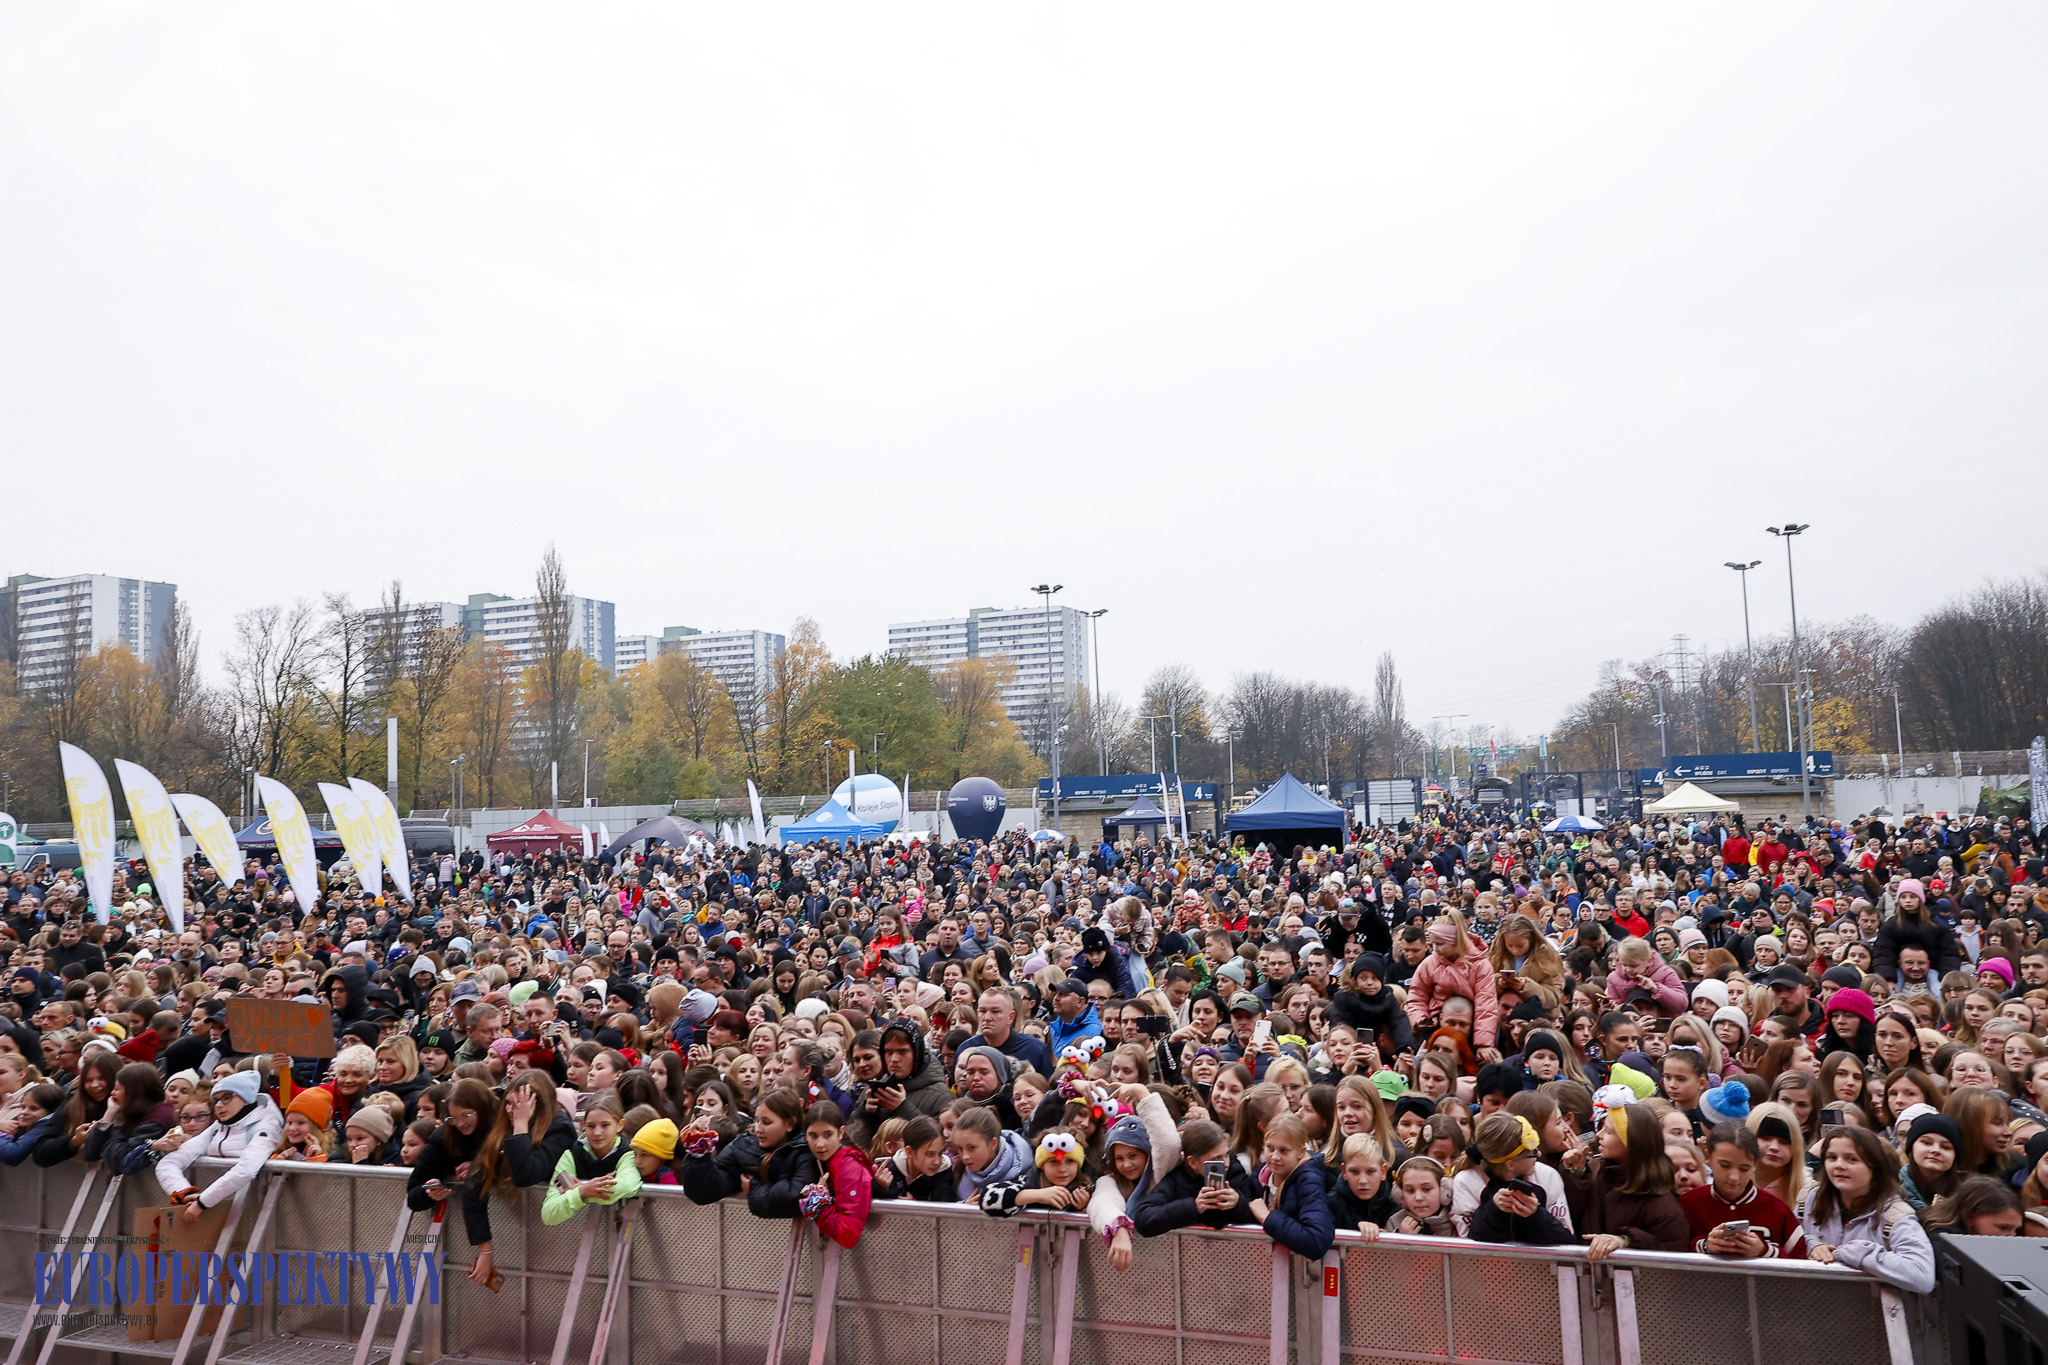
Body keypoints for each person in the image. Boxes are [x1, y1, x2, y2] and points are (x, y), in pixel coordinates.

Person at [1798, 1127, 1936, 1293]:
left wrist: (1855, 1252)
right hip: (1807, 1309)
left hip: (1866, 1313)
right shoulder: (1809, 1198)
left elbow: (1922, 1275)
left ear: (1874, 1167)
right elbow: (1785, 1239)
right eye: (1832, 1157)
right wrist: (1811, 1245)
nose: (1839, 1165)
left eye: (1852, 1159)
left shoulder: (1896, 1216)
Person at [156, 1070, 282, 1219]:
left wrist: (203, 1202)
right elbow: (168, 1162)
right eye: (216, 1100)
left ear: (246, 1098)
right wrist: (185, 1193)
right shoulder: (217, 1127)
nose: (219, 1105)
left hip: (256, 1214)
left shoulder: (266, 1125)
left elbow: (246, 1169)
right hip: (217, 1210)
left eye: (226, 1098)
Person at [1575, 1102, 1690, 1258]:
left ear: (1631, 1141)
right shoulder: (1594, 1169)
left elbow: (1672, 1256)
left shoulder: (1663, 1205)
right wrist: (1574, 1173)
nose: (1598, 1135)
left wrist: (1627, 1241)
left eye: (1608, 1131)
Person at [1679, 1123, 1804, 1258]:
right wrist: (1705, 1246)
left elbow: (1801, 1263)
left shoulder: (1778, 1210)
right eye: (1725, 1166)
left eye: (1744, 1169)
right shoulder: (1689, 1204)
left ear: (1755, 1165)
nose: (1734, 1177)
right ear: (1708, 1157)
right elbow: (1671, 1253)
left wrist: (1764, 1251)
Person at [1130, 1119, 1261, 1235]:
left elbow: (1259, 1213)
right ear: (1192, 1162)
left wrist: (1237, 1202)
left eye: (1226, 1155)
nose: (1225, 1163)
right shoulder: (1177, 1178)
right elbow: (1143, 1219)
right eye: (1216, 1159)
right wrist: (1194, 1206)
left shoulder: (1234, 1170)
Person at [1464, 1113, 1575, 1246]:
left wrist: (1536, 1216)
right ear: (1510, 1164)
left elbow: (1567, 1241)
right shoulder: (1467, 1182)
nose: (1539, 1154)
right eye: (1532, 1152)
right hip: (1488, 1265)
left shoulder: (1548, 1176)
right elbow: (1466, 1245)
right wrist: (1493, 1211)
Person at [541, 1094, 643, 1224]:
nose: (597, 1132)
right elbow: (548, 1213)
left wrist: (581, 1191)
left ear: (620, 1125)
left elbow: (627, 1185)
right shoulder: (571, 1155)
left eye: (605, 1125)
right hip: (575, 1234)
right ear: (583, 1125)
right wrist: (581, 1191)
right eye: (591, 1126)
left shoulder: (628, 1153)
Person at [1246, 1114, 1334, 1258]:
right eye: (1270, 1148)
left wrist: (1268, 1218)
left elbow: (1316, 1240)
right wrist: (1235, 1201)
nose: (1275, 1157)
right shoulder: (1260, 1175)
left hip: (1304, 1273)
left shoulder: (1309, 1180)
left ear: (1301, 1152)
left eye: (1284, 1150)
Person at [797, 1101, 872, 1248]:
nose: (820, 1144)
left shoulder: (849, 1168)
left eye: (827, 1135)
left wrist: (819, 1204)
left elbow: (848, 1234)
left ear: (841, 1133)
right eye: (813, 1135)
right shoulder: (828, 1161)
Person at [1326, 1133, 1398, 1236]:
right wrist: (1356, 1228)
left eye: (1370, 1171)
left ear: (1383, 1172)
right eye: (1354, 1171)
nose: (1362, 1180)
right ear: (1344, 1171)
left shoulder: (1393, 1205)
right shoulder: (1331, 1205)